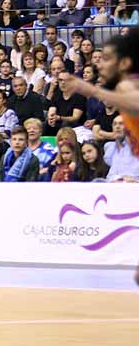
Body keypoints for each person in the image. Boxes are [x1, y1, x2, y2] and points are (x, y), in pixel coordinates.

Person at [58, 28, 139, 282]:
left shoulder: (128, 84)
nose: (100, 63)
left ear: (124, 63)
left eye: (107, 58)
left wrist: (88, 89)